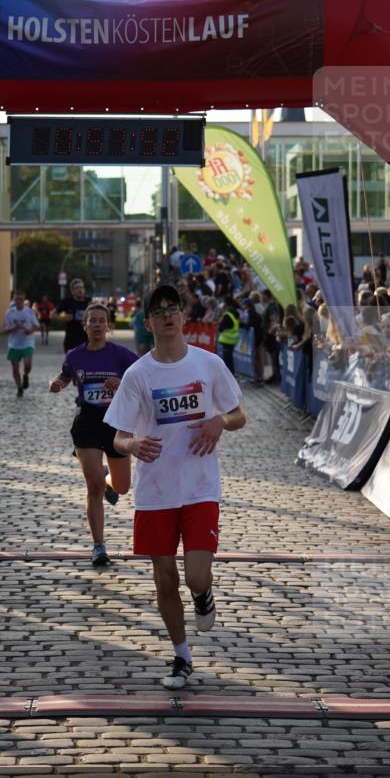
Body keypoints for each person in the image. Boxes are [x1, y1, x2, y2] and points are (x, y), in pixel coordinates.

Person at [105, 284, 246, 690]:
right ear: (147, 322)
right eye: (158, 311)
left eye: (173, 309)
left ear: (184, 316)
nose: (167, 316)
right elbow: (118, 437)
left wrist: (219, 422)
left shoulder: (208, 364)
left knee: (196, 576)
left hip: (200, 486)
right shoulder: (138, 374)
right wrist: (132, 445)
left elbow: (238, 414)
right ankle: (181, 656)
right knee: (164, 577)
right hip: (156, 492)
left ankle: (204, 595)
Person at [49, 302, 138, 567]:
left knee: (121, 486)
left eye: (102, 321)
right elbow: (66, 376)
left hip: (115, 422)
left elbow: (142, 380)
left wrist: (122, 383)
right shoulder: (75, 355)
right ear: (85, 325)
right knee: (93, 486)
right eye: (93, 321)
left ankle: (110, 482)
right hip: (87, 420)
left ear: (108, 326)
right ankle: (98, 546)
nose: (97, 325)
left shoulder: (122, 355)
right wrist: (58, 383)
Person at [4, 290, 39, 397]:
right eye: (16, 299)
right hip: (14, 344)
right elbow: (5, 330)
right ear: (14, 300)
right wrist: (13, 328)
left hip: (27, 342)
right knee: (15, 368)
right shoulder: (9, 313)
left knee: (27, 364)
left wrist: (30, 331)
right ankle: (19, 387)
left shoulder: (29, 311)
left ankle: (26, 375)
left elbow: (36, 325)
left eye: (21, 299)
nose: (18, 301)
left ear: (24, 300)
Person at [57, 278, 91, 355]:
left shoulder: (89, 301)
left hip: (87, 339)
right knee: (73, 366)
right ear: (72, 291)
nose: (80, 290)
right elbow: (53, 315)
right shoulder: (66, 302)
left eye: (82, 287)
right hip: (71, 340)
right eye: (77, 288)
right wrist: (64, 317)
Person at [217, 296, 241, 375]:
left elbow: (221, 328)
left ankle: (229, 375)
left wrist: (220, 319)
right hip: (233, 340)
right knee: (229, 359)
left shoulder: (227, 315)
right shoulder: (235, 313)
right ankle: (231, 374)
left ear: (226, 304)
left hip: (227, 340)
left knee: (227, 360)